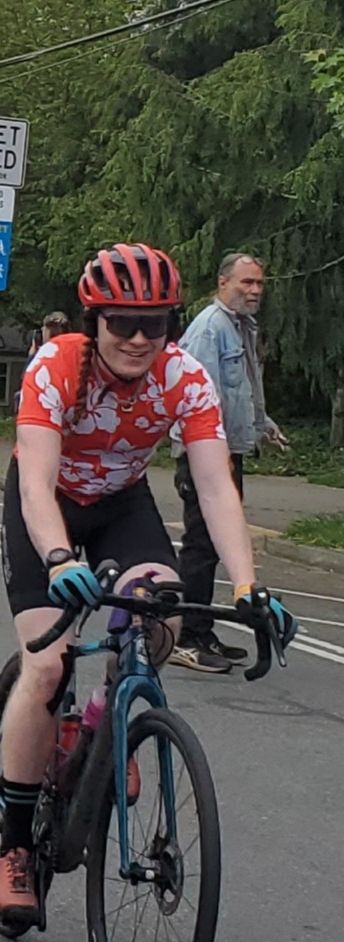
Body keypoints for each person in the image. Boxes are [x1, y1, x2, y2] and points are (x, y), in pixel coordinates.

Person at [0, 243, 296, 924]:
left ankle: (102, 724)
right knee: (44, 667)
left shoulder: (185, 379)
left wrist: (247, 585)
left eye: (151, 324)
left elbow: (216, 491)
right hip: (47, 507)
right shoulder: (56, 366)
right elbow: (35, 482)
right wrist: (58, 558)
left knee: (158, 611)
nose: (135, 338)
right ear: (92, 320)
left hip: (121, 505)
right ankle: (12, 847)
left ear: (168, 325)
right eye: (119, 323)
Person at [172, 252, 288, 673]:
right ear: (223, 283)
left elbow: (245, 388)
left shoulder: (241, 326)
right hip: (206, 456)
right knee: (202, 546)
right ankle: (185, 635)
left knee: (216, 544)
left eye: (259, 283)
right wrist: (211, 457)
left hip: (228, 452)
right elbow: (200, 399)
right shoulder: (209, 328)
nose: (254, 290)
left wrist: (263, 426)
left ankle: (201, 629)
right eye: (246, 283)